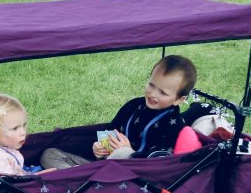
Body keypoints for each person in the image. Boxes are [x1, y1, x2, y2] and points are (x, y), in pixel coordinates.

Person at [39, 55, 208, 170]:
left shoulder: (174, 124)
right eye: (151, 85)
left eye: (163, 92)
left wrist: (128, 153)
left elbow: (160, 163)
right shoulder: (134, 105)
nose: (153, 94)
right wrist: (99, 148)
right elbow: (111, 130)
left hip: (131, 177)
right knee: (49, 154)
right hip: (104, 165)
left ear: (179, 99)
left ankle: (79, 182)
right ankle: (79, 180)